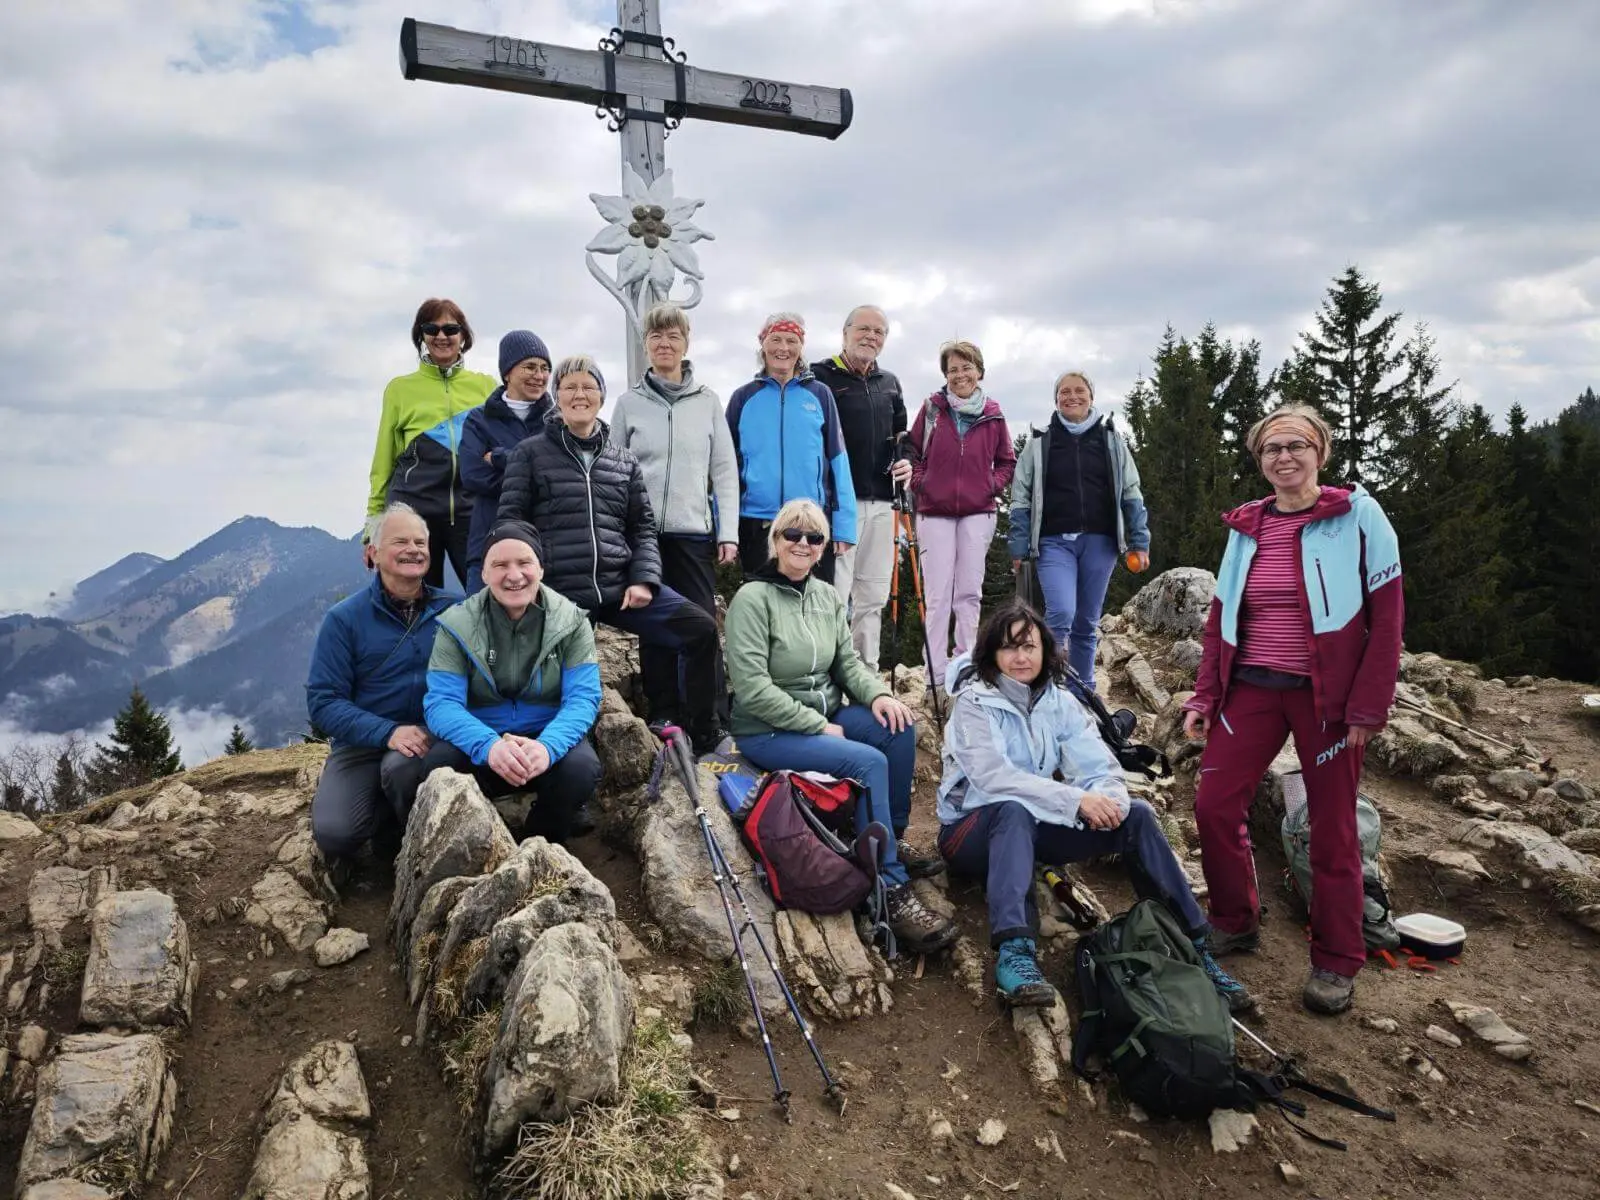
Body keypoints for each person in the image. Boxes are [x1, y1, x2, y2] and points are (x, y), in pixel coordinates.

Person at [1182, 404, 1402, 1017]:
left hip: (1325, 698)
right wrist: (1206, 695)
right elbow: (1221, 619)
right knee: (1213, 804)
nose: (1284, 457)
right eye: (1271, 449)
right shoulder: (1246, 526)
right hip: (1251, 689)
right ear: (1260, 460)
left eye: (1296, 445)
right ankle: (1235, 919)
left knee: (1332, 828)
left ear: (1320, 452)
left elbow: (1387, 620)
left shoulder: (1358, 515)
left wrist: (1368, 707)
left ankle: (1337, 959)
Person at [937, 601, 1252, 1011]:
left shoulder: (1057, 702)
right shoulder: (974, 703)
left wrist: (1111, 802)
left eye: (1029, 646)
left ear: (1045, 651)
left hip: (1031, 827)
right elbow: (992, 779)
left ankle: (1192, 945)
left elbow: (1098, 765)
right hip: (968, 831)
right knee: (1012, 810)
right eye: (1009, 647)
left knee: (1137, 816)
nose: (1020, 657)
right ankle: (1015, 953)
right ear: (991, 654)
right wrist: (1075, 800)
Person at [724, 499, 956, 955]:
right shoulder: (752, 599)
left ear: (823, 546)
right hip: (767, 730)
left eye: (814, 537)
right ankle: (889, 887)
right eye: (793, 534)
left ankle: (892, 837)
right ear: (776, 540)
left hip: (824, 716)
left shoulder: (826, 596)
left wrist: (880, 696)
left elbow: (847, 664)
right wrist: (814, 725)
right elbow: (752, 689)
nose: (803, 544)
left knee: (897, 729)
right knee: (868, 762)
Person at [496, 355, 725, 753]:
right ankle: (563, 752)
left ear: (601, 396)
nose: (579, 395)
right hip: (561, 595)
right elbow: (512, 524)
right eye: (570, 387)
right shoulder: (529, 454)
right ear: (557, 397)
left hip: (619, 588)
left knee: (701, 629)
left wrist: (644, 578)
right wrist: (534, 585)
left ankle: (705, 735)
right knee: (560, 682)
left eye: (589, 386)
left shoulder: (623, 460)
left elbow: (642, 528)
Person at [421, 523, 603, 843]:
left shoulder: (572, 622)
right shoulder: (457, 625)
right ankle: (478, 842)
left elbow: (583, 698)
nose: (514, 575)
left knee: (580, 769)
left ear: (541, 569)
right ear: (484, 573)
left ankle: (539, 842)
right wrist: (489, 746)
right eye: (500, 565)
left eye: (524, 563)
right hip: (482, 741)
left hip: (544, 737)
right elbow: (441, 704)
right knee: (440, 765)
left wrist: (547, 747)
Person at [306, 503, 458, 863]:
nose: (413, 550)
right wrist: (387, 732)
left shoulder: (455, 610)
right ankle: (381, 810)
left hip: (431, 737)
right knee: (336, 834)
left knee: (401, 768)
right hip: (361, 743)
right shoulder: (344, 619)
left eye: (420, 542)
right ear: (373, 553)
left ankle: (406, 843)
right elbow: (324, 702)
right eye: (400, 541)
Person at [612, 303, 739, 730]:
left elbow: (724, 470)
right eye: (656, 336)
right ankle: (664, 710)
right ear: (645, 344)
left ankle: (710, 717)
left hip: (693, 534)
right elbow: (613, 471)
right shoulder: (628, 403)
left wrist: (729, 532)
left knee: (701, 624)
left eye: (673, 336)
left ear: (686, 343)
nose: (664, 343)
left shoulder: (708, 401)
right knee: (656, 624)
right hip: (642, 536)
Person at [1008, 371, 1149, 685]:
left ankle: (1084, 690)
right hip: (1053, 542)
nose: (1072, 396)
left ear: (1091, 396)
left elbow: (1131, 492)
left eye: (1079, 390)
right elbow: (1020, 496)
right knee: (1060, 614)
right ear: (1056, 399)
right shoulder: (1040, 441)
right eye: (1065, 392)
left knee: (1086, 622)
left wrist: (1140, 541)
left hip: (1101, 542)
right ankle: (1049, 687)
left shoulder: (1111, 440)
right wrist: (1018, 546)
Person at [909, 340, 1016, 696]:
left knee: (969, 594)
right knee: (938, 597)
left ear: (979, 372)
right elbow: (912, 453)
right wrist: (921, 482)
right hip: (934, 512)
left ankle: (965, 669)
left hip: (978, 512)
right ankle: (934, 678)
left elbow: (1007, 461)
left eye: (966, 367)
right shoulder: (932, 409)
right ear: (945, 375)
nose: (960, 375)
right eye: (953, 369)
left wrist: (990, 485)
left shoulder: (993, 414)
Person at [367, 298, 496, 589]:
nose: (441, 336)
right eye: (431, 329)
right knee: (414, 602)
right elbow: (383, 461)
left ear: (463, 336)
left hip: (471, 511)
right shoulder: (399, 389)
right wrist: (373, 528)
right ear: (421, 336)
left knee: (487, 597)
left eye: (450, 329)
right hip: (413, 513)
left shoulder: (486, 387)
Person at [726, 313, 856, 585]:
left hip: (811, 523)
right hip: (756, 522)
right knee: (760, 601)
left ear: (801, 347)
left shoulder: (820, 395)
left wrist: (844, 527)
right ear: (763, 345)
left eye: (791, 340)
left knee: (813, 603)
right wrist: (724, 528)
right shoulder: (743, 398)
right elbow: (725, 468)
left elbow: (838, 459)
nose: (783, 348)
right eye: (775, 340)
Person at [811, 306, 909, 668]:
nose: (871, 336)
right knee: (834, 594)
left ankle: (866, 673)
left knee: (873, 594)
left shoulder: (890, 382)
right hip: (837, 504)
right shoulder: (819, 376)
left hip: (883, 502)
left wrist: (907, 460)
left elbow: (903, 435)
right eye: (864, 329)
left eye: (879, 332)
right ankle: (829, 671)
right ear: (845, 332)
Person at [459, 330, 554, 594]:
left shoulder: (557, 421)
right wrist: (534, 478)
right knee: (480, 619)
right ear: (507, 373)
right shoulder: (479, 419)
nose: (539, 375)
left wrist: (500, 457)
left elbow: (560, 474)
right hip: (488, 545)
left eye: (545, 368)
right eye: (530, 367)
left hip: (547, 549)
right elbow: (472, 475)